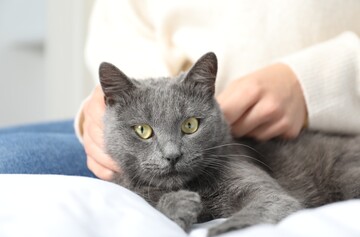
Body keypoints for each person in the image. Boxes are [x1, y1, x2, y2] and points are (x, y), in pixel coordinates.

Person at [1, 0, 360, 180]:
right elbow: (118, 44)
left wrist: (316, 82)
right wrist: (98, 119)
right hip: (150, 141)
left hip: (294, 134)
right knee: (8, 159)